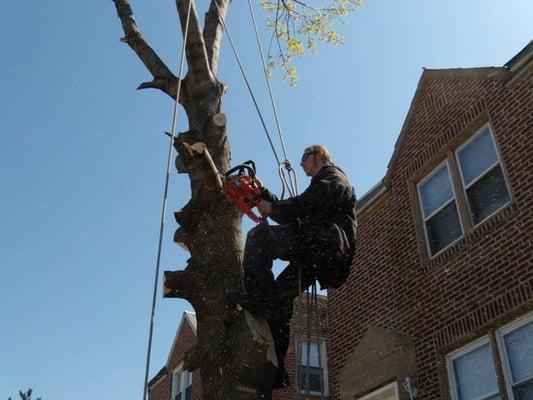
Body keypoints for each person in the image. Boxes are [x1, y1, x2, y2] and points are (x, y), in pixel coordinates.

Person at [241, 144, 357, 387]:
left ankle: (256, 295)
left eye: (305, 158)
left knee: (257, 237)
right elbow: (295, 213)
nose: (302, 163)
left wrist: (272, 207)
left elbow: (305, 204)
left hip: (322, 243)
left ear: (319, 156)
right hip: (317, 255)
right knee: (279, 301)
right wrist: (266, 196)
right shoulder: (320, 190)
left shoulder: (334, 178)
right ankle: (275, 368)